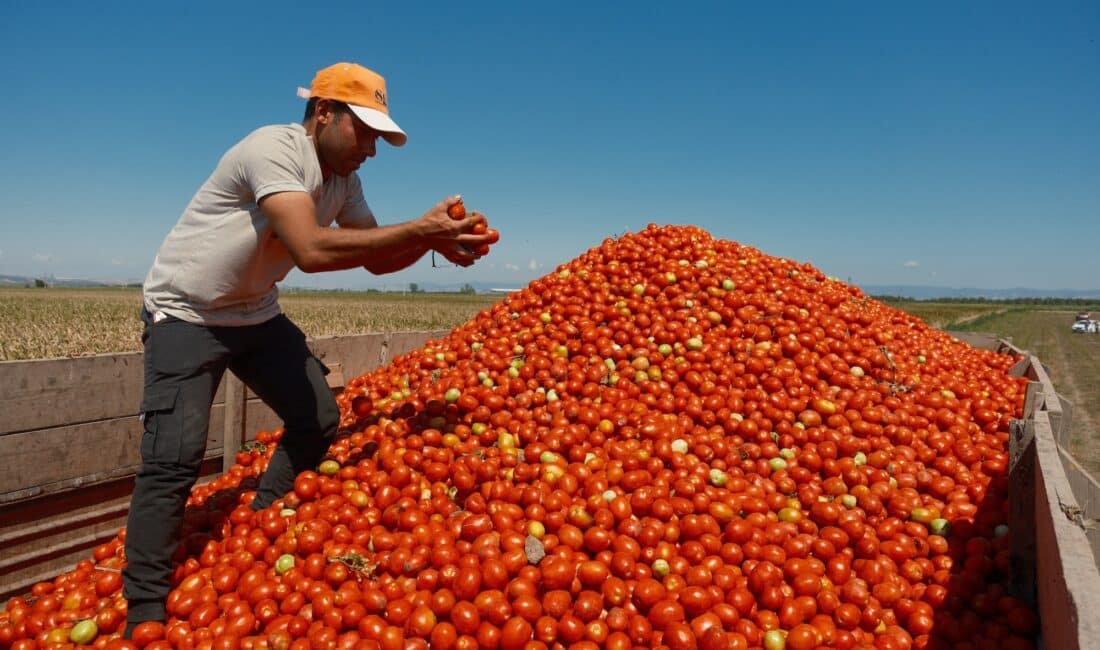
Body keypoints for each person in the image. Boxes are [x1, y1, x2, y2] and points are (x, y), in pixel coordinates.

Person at [122, 62, 492, 635]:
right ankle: (143, 609)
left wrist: (439, 244)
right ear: (324, 112)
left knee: (317, 418)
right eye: (363, 132)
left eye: (377, 136)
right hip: (188, 314)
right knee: (174, 457)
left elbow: (374, 257)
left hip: (253, 310)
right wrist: (421, 231)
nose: (370, 149)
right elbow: (313, 250)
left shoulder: (345, 180)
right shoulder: (273, 149)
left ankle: (266, 515)